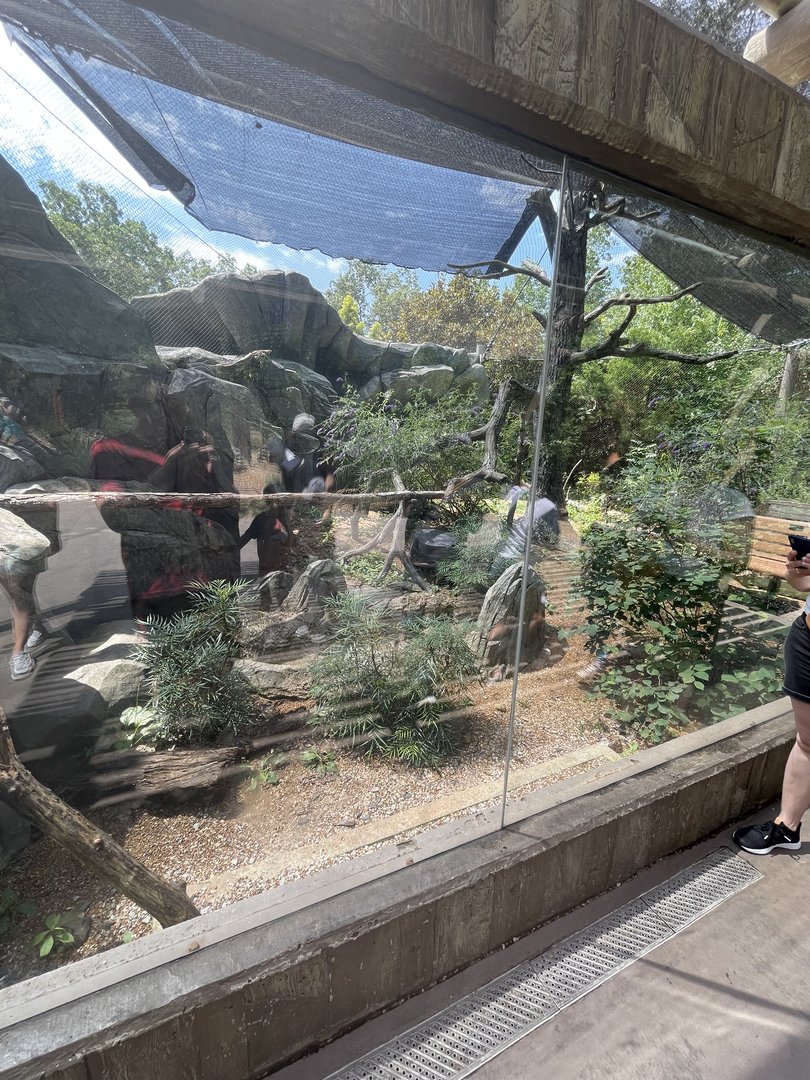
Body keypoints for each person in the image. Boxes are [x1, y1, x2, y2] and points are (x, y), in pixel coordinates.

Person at [733, 547, 810, 854]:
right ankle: (787, 828)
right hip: (805, 638)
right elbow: (805, 586)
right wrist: (798, 573)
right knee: (807, 742)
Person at [240, 484, 290, 608]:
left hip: (281, 566)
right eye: (274, 500)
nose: (277, 504)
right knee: (267, 594)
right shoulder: (262, 519)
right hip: (267, 566)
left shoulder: (284, 519)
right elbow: (246, 537)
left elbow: (289, 540)